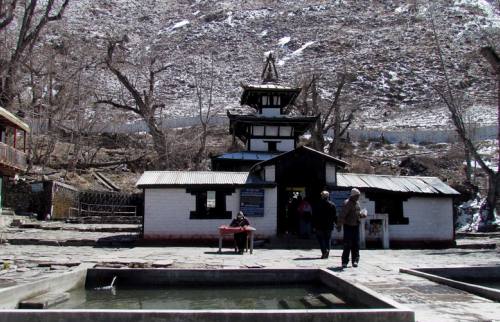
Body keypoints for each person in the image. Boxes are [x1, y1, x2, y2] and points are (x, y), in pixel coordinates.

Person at [337, 188, 366, 268]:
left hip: (356, 225)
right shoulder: (347, 203)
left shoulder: (357, 203)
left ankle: (355, 261)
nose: (358, 197)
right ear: (353, 196)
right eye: (357, 196)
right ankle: (344, 262)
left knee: (356, 244)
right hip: (348, 226)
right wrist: (339, 225)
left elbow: (358, 213)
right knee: (347, 244)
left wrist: (362, 215)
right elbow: (342, 215)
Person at [313, 191, 337, 259]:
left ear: (322, 196)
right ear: (328, 196)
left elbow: (314, 216)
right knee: (328, 239)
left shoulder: (317, 204)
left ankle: (324, 251)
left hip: (319, 225)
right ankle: (327, 252)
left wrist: (314, 225)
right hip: (329, 225)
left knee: (321, 239)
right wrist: (337, 223)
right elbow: (334, 216)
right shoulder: (332, 205)